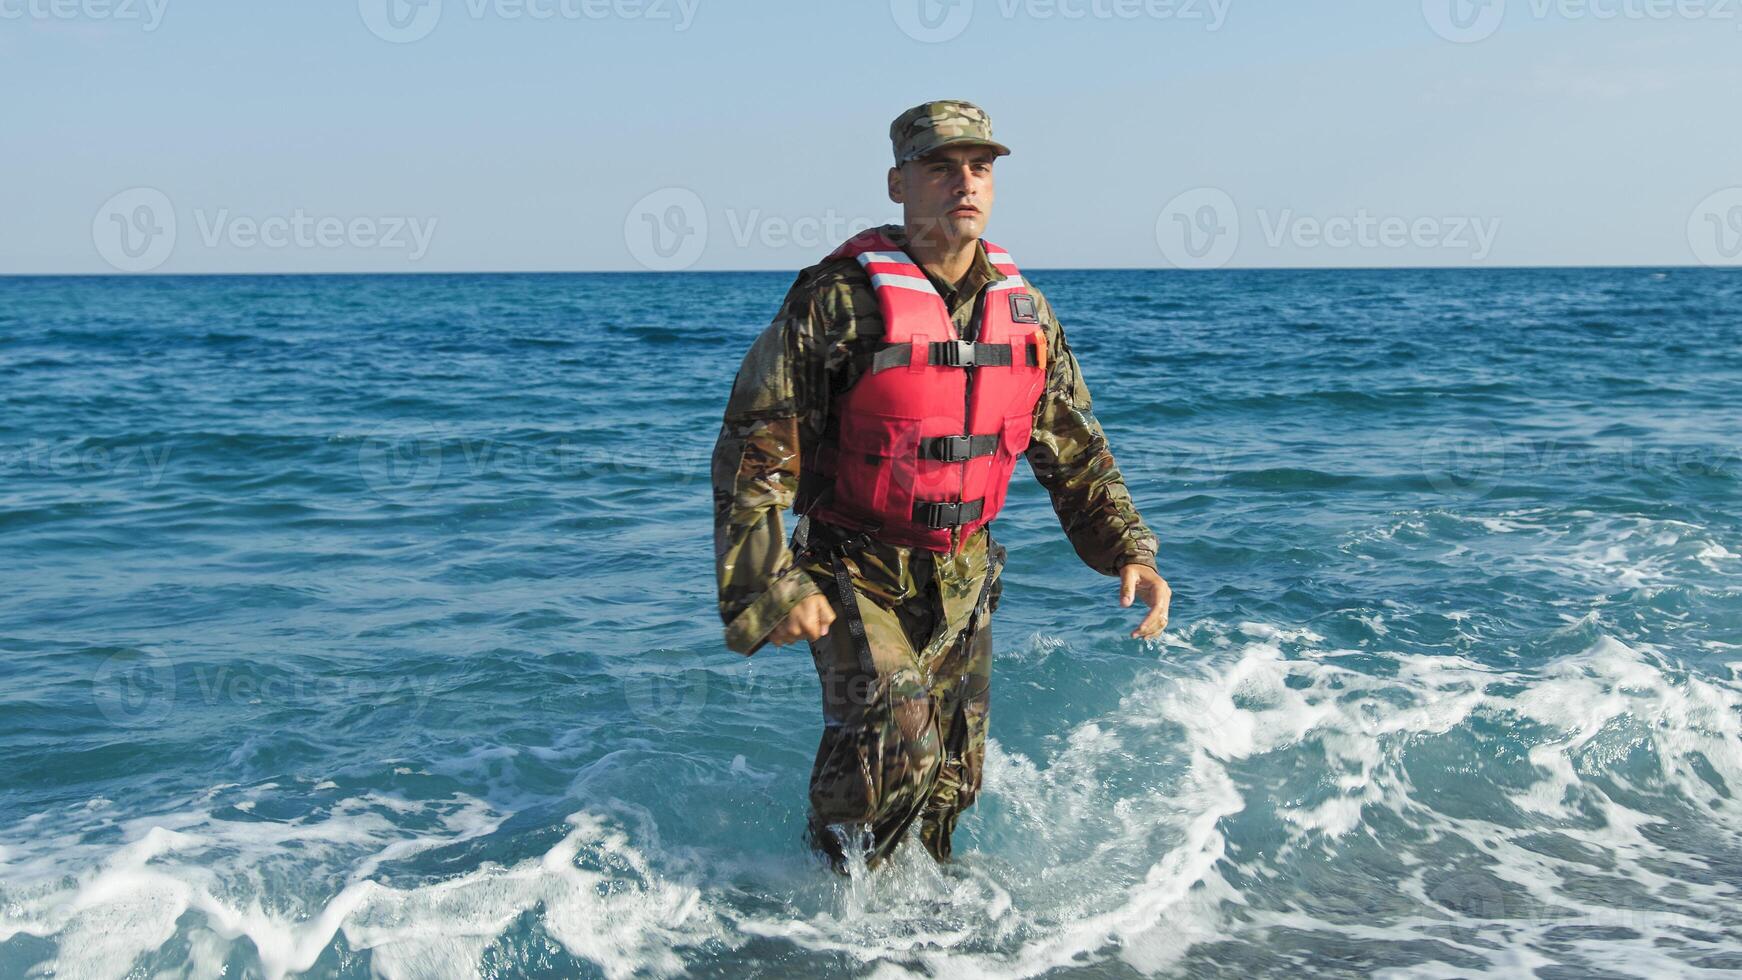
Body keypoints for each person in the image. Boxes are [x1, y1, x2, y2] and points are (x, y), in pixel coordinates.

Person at [710, 99, 1171, 873]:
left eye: (980, 168)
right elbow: (756, 446)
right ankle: (821, 915)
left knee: (951, 780)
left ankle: (918, 933)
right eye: (940, 167)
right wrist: (769, 586)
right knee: (896, 725)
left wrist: (1130, 548)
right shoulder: (837, 300)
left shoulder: (1025, 312)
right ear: (898, 183)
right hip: (850, 566)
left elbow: (1072, 443)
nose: (965, 182)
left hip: (964, 572)